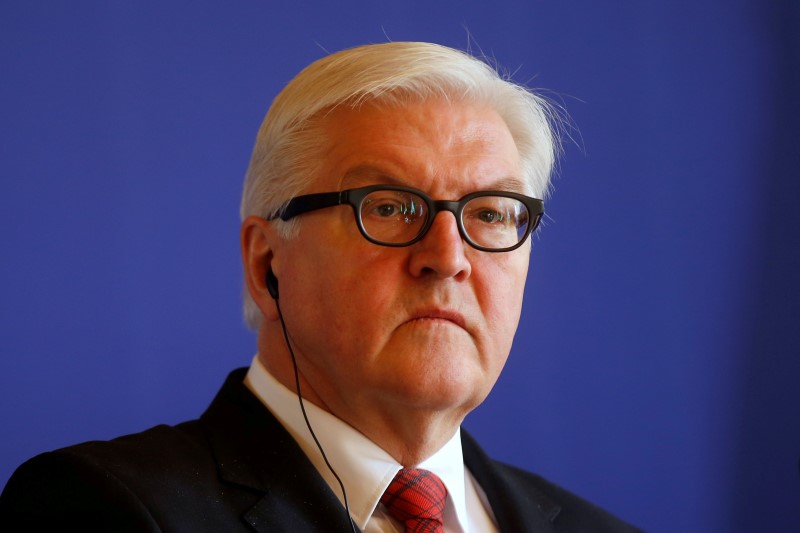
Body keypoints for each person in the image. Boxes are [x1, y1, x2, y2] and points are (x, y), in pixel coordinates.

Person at [0, 42, 641, 532]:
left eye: (491, 214)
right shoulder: (101, 508)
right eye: (389, 207)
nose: (448, 259)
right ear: (266, 262)